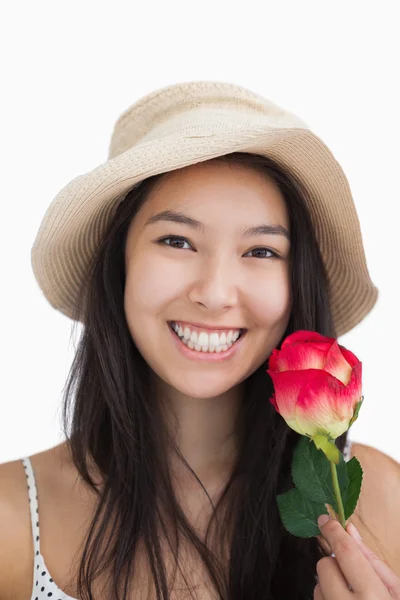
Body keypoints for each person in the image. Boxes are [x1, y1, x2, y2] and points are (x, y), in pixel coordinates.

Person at [0, 81, 399, 600]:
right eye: (176, 241)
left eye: (261, 251)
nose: (213, 294)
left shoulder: (379, 504)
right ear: (118, 264)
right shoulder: (13, 519)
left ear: (296, 282)